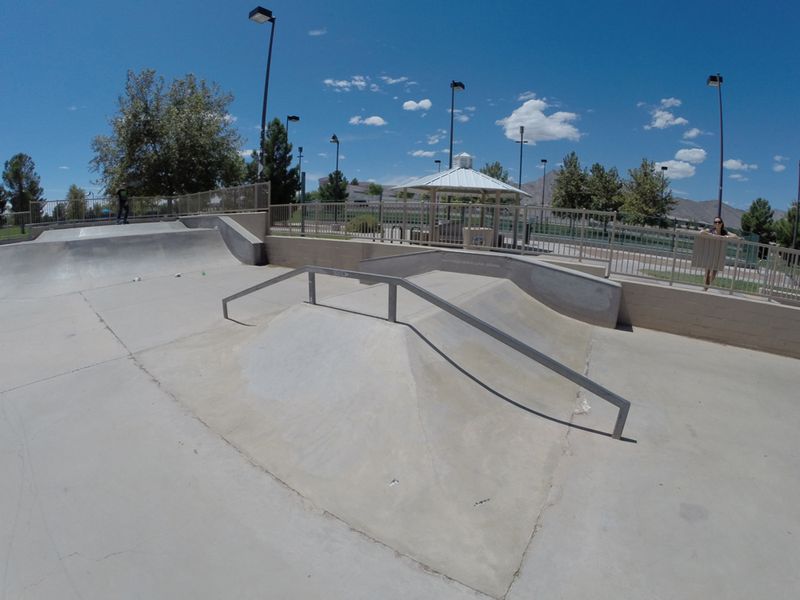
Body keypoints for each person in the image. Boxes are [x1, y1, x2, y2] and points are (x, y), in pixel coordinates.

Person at [700, 217, 737, 288]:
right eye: (715, 222)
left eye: (719, 222)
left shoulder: (724, 232)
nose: (717, 223)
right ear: (713, 224)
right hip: (710, 253)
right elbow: (701, 232)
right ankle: (705, 288)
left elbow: (735, 236)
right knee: (707, 273)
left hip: (719, 254)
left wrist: (727, 237)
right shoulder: (711, 230)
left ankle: (707, 286)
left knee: (713, 273)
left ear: (722, 223)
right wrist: (712, 235)